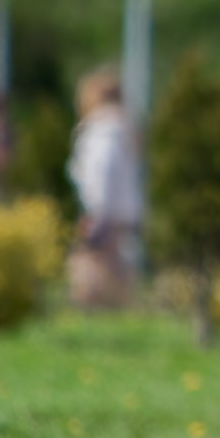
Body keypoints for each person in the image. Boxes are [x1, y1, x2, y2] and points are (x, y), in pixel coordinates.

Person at [66, 68, 141, 309]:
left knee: (91, 279)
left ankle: (95, 327)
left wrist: (97, 217)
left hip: (101, 215)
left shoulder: (101, 133)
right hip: (123, 215)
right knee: (119, 277)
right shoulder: (124, 131)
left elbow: (101, 177)